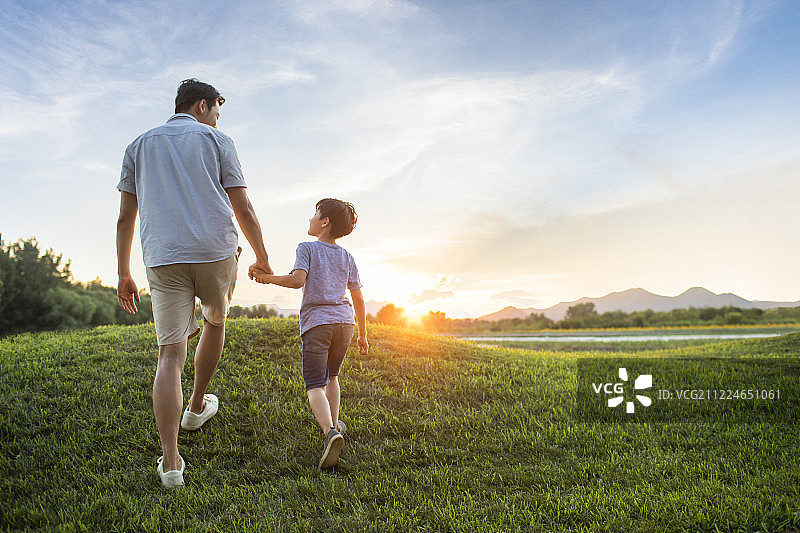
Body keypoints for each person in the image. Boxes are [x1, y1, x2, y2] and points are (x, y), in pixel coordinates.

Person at [116, 78, 273, 488]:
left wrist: (123, 272)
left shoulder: (138, 146)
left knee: (169, 355)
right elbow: (242, 205)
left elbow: (126, 217)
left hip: (163, 255)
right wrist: (262, 256)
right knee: (215, 321)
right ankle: (197, 405)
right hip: (215, 251)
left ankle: (171, 463)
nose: (217, 120)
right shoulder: (218, 141)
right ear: (202, 105)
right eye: (216, 112)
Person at [253, 198, 368, 469]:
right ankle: (335, 425)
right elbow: (358, 297)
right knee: (332, 376)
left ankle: (329, 432)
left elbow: (297, 281)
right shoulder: (347, 256)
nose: (310, 219)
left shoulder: (306, 248)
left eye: (314, 214)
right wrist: (363, 334)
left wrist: (267, 279)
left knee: (315, 384)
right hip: (345, 324)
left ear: (324, 222)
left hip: (317, 324)